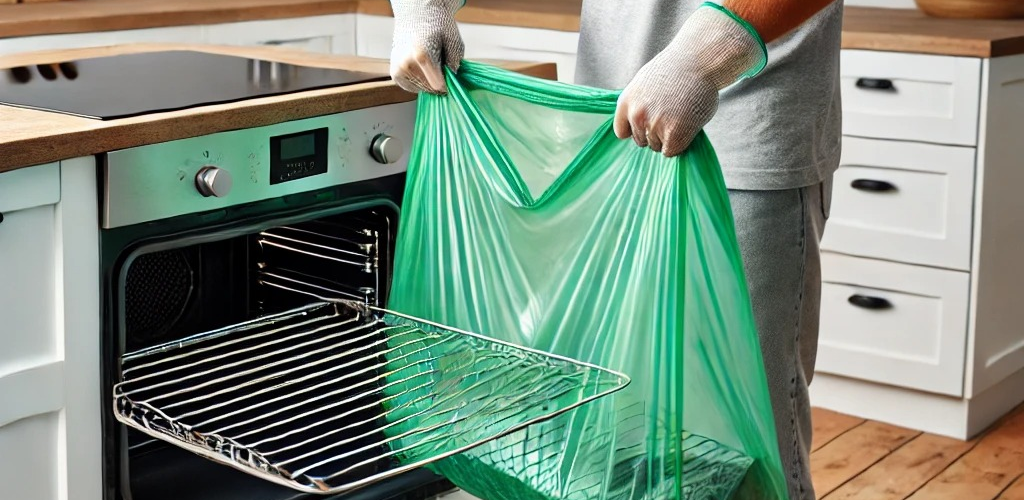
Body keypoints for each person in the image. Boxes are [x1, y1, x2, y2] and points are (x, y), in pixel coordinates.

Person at [387, 1, 842, 498]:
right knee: (611, 431)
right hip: (609, 134)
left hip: (739, 124)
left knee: (739, 441)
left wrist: (706, 55)